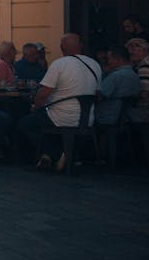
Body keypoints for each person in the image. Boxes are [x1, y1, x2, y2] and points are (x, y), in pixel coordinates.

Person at [17, 33, 100, 172]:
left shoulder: (59, 64)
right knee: (45, 122)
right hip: (87, 119)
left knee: (25, 124)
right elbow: (97, 94)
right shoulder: (95, 64)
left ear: (62, 48)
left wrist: (35, 107)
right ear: (81, 46)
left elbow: (43, 94)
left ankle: (51, 153)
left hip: (59, 117)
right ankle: (61, 153)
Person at [96, 46, 141, 125]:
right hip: (128, 118)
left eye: (109, 59)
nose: (108, 62)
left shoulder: (115, 76)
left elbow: (100, 95)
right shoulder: (134, 75)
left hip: (108, 117)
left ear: (118, 59)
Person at [125, 38, 149, 124]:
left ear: (143, 51)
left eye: (133, 52)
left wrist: (126, 96)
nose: (130, 55)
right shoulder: (144, 64)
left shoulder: (145, 66)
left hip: (144, 109)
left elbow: (145, 93)